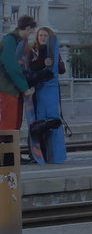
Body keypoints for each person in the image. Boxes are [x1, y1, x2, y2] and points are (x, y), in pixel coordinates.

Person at [24, 26, 67, 165]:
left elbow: (61, 70)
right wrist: (43, 64)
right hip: (39, 91)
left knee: (52, 121)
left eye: (45, 36)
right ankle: (37, 154)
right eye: (41, 35)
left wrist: (56, 62)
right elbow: (30, 69)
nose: (43, 38)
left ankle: (52, 154)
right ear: (37, 37)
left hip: (51, 91)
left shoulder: (54, 52)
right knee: (38, 121)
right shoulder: (33, 52)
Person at [0, 17, 37, 160]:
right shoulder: (10, 41)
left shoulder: (18, 42)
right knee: (8, 123)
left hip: (14, 89)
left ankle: (13, 154)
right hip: (8, 89)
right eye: (32, 30)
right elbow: (12, 66)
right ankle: (6, 156)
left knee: (15, 122)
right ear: (27, 28)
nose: (32, 33)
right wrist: (24, 87)